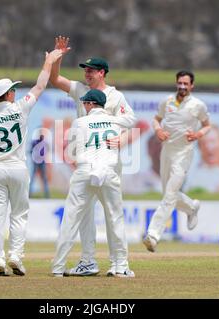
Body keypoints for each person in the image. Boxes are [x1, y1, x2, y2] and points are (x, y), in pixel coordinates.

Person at [0, 49, 63, 276]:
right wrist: (48, 61)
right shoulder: (20, 108)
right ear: (8, 95)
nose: (16, 93)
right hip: (18, 168)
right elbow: (39, 86)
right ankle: (15, 255)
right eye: (13, 90)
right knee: (19, 214)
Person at [50, 36, 137, 276]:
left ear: (102, 73)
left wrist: (123, 139)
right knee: (85, 215)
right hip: (87, 159)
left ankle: (118, 263)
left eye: (91, 70)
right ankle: (88, 261)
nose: (87, 74)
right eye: (85, 70)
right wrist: (57, 57)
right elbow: (54, 79)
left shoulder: (115, 96)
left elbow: (133, 123)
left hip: (109, 161)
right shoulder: (80, 90)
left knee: (111, 215)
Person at [143, 70, 211, 252]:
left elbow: (207, 125)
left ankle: (153, 235)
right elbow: (156, 120)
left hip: (184, 153)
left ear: (192, 86)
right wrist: (158, 131)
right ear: (176, 83)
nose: (182, 86)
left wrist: (198, 134)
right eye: (180, 83)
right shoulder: (167, 101)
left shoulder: (198, 105)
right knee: (168, 193)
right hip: (167, 152)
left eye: (186, 84)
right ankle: (191, 207)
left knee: (170, 195)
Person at [29, 132, 50, 198]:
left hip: (41, 162)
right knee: (33, 177)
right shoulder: (35, 142)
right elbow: (31, 151)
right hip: (36, 162)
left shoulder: (44, 143)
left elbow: (46, 152)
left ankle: (47, 194)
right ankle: (30, 193)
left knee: (44, 178)